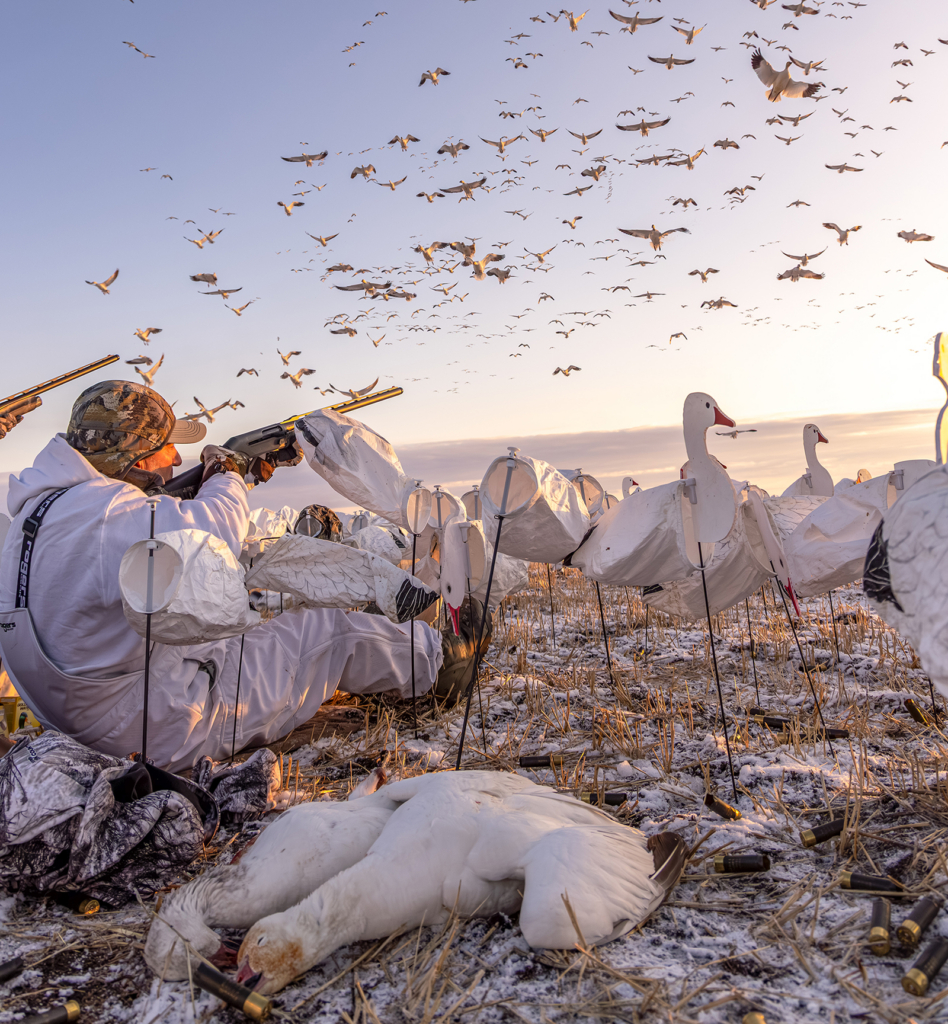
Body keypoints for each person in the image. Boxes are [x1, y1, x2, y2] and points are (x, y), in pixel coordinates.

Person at [0, 381, 483, 772]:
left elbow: (158, 546)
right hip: (156, 730)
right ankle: (439, 664)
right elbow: (216, 537)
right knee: (326, 630)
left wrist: (240, 476)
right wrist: (227, 471)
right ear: (136, 452)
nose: (174, 461)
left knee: (255, 626)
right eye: (165, 448)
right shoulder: (106, 511)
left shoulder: (34, 515)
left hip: (87, 715)